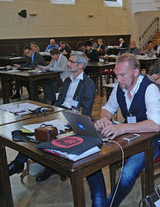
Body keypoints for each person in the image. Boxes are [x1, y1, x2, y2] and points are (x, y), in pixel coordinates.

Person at [86, 53, 160, 206]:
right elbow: (107, 108)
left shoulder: (150, 89)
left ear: (136, 72)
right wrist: (104, 119)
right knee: (89, 158)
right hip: (129, 137)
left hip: (151, 142)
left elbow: (155, 125)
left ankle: (108, 205)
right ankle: (99, 201)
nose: (118, 80)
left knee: (127, 173)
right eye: (117, 75)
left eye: (122, 75)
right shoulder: (119, 87)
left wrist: (121, 128)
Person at [8, 52, 96, 182]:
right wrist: (52, 112)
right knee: (34, 131)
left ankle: (50, 168)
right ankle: (20, 162)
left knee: (48, 134)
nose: (68, 63)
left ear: (81, 65)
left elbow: (86, 110)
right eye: (69, 61)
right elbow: (59, 101)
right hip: (60, 113)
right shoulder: (67, 80)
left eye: (72, 62)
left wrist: (66, 115)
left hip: (74, 117)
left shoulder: (88, 83)